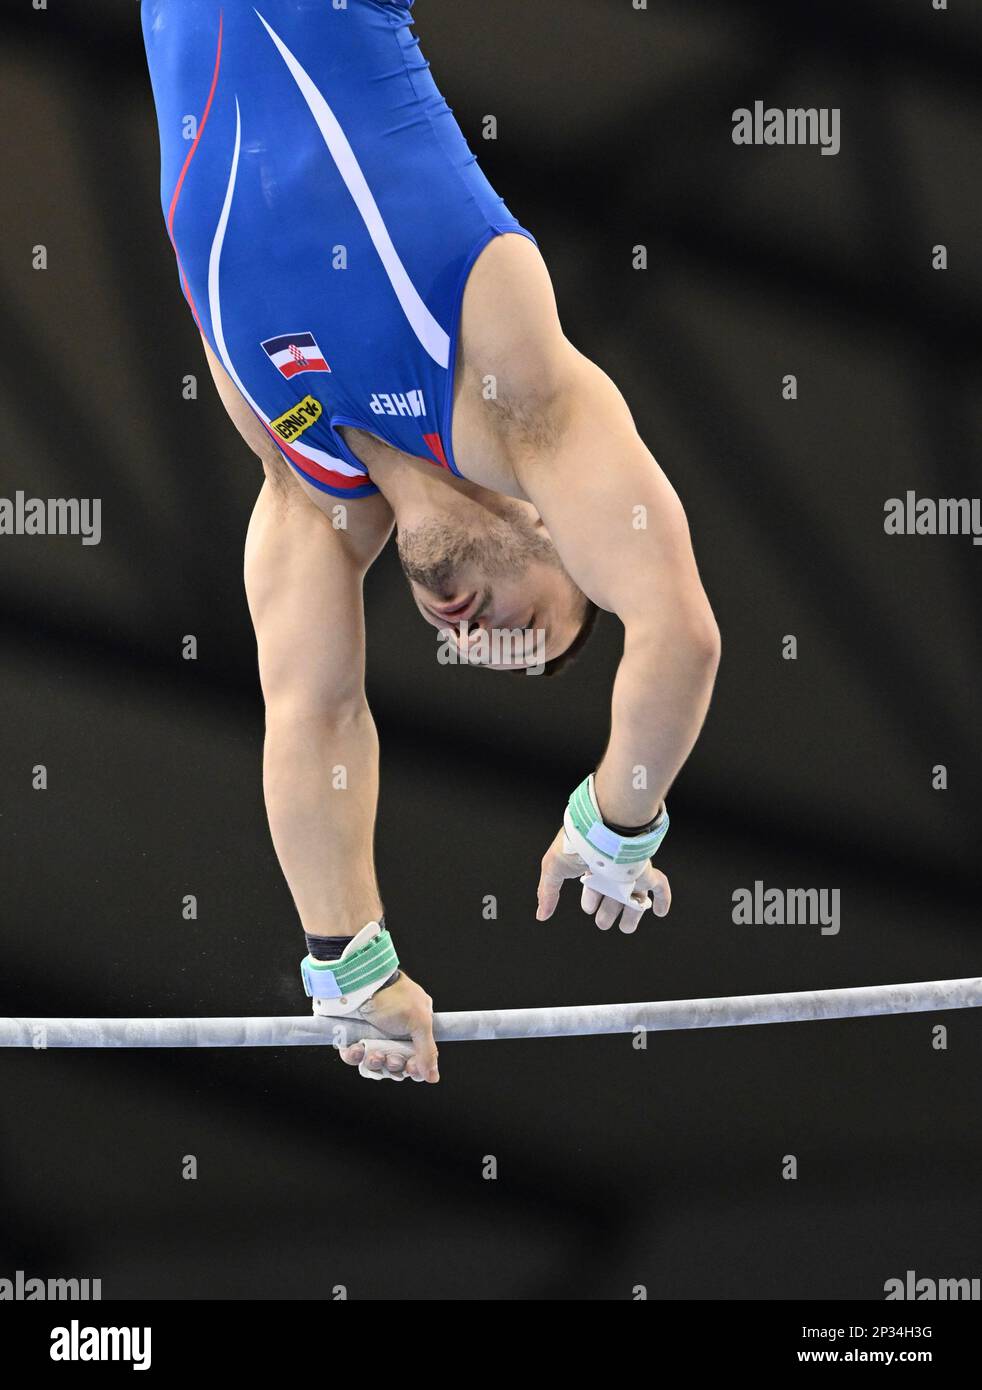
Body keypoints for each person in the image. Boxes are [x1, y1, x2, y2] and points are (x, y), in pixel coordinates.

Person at [141, 0, 720, 1083]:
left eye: (481, 658)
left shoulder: (305, 488)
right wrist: (617, 820)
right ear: (550, 530)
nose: (479, 640)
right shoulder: (520, 399)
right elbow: (677, 632)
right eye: (530, 627)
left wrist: (353, 965)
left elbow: (315, 710)